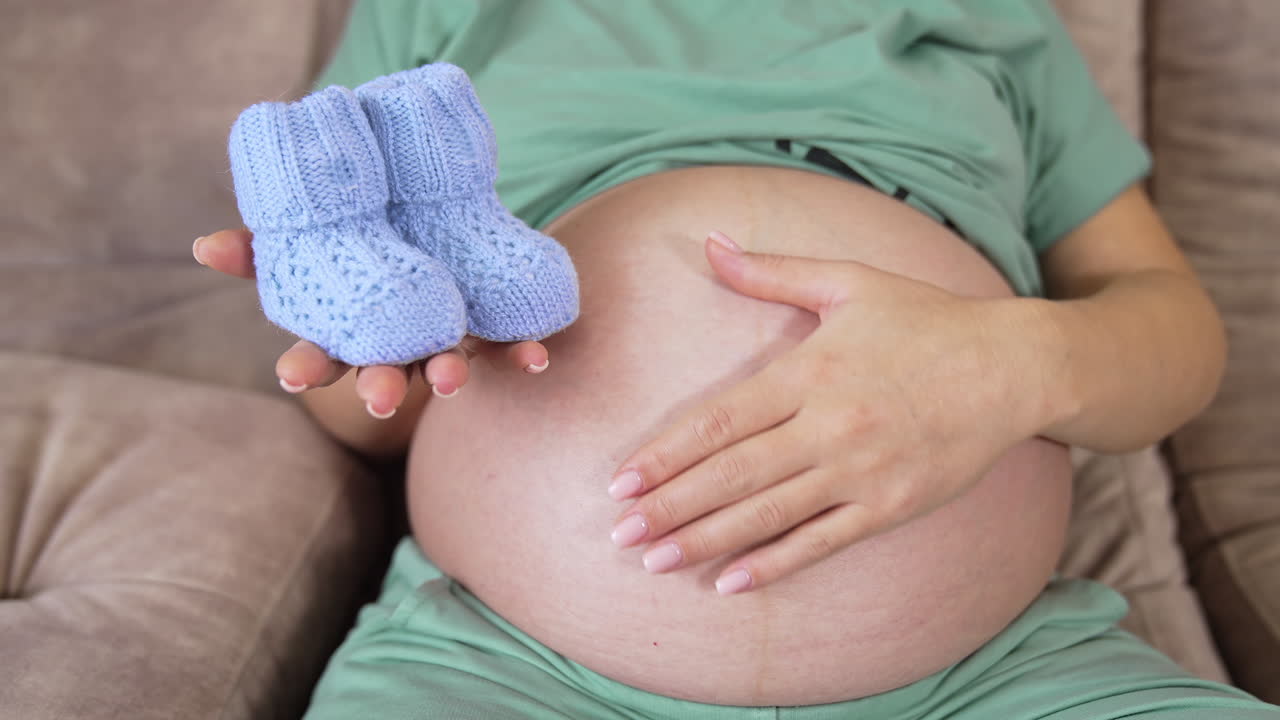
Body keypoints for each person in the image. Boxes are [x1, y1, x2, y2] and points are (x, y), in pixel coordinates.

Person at [192, 1, 1280, 717]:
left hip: (1001, 679)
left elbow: (1173, 330)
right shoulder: (441, 11)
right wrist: (371, 354)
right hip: (497, 670)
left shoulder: (987, 20)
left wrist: (1017, 362)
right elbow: (359, 410)